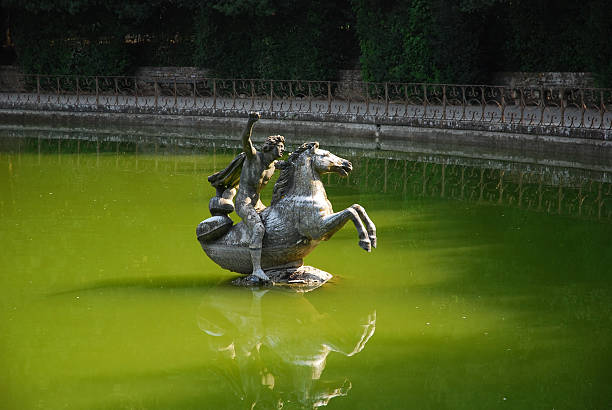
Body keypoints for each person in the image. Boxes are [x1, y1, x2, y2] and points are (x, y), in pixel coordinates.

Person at [209, 112, 284, 281]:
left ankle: (276, 261)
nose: (283, 149)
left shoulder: (274, 165)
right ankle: (256, 270)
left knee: (276, 222)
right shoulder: (253, 157)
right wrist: (251, 122)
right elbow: (245, 140)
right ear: (271, 147)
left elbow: (293, 163)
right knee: (258, 229)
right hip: (244, 203)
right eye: (280, 146)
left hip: (258, 204)